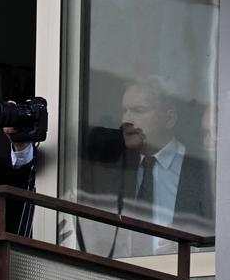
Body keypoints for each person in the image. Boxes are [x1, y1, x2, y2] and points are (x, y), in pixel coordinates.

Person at [11, 77, 213, 256]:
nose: (126, 119)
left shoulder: (204, 170)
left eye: (138, 110)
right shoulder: (110, 160)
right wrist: (21, 144)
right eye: (124, 110)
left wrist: (192, 250)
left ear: (169, 118)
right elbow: (40, 169)